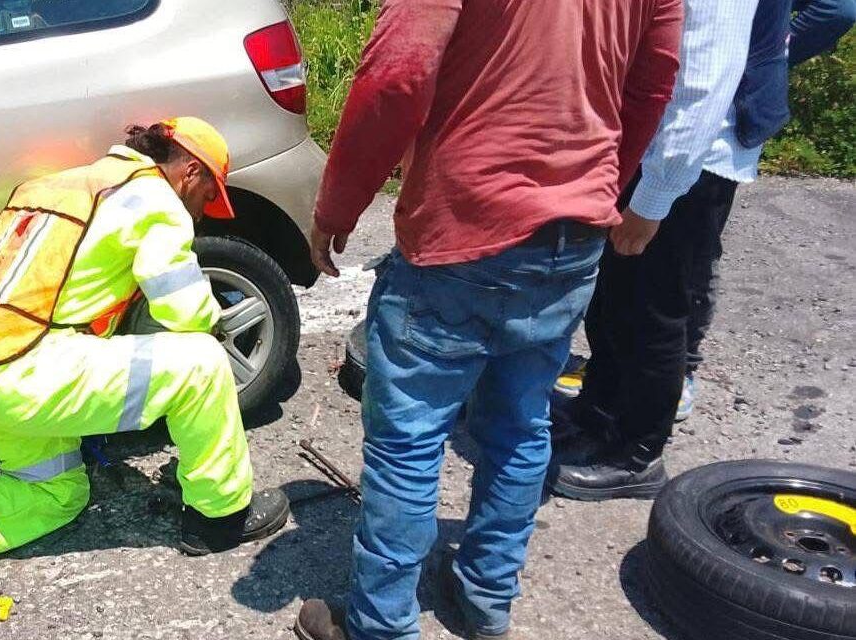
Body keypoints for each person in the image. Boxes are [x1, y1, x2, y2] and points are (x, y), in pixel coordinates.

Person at [292, 0, 684, 638]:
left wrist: (337, 206)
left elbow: (398, 74)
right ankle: (485, 598)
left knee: (408, 445)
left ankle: (381, 626)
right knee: (521, 428)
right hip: (573, 231)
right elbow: (654, 80)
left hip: (462, 231)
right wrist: (599, 184)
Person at [0, 117, 291, 617]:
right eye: (206, 198)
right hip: (25, 374)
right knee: (201, 364)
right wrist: (211, 318)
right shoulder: (154, 199)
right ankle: (219, 518)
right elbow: (183, 309)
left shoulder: (50, 187)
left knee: (60, 494)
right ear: (191, 172)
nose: (201, 214)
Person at [550, 0, 856, 502]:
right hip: (650, 149)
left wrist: (653, 199)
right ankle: (597, 413)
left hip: (687, 160)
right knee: (612, 300)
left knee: (656, 310)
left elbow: (703, 84)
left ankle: (636, 453)